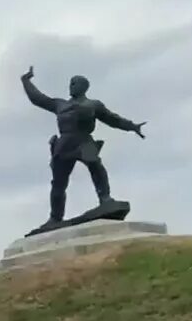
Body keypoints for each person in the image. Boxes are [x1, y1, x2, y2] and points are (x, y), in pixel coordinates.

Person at [20, 66, 146, 231]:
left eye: (75, 83)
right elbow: (38, 99)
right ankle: (55, 217)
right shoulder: (60, 105)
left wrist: (132, 126)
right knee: (58, 184)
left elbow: (113, 119)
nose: (71, 86)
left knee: (96, 167)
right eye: (70, 83)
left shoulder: (93, 105)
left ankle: (105, 199)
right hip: (64, 144)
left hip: (83, 140)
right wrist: (26, 81)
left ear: (84, 87)